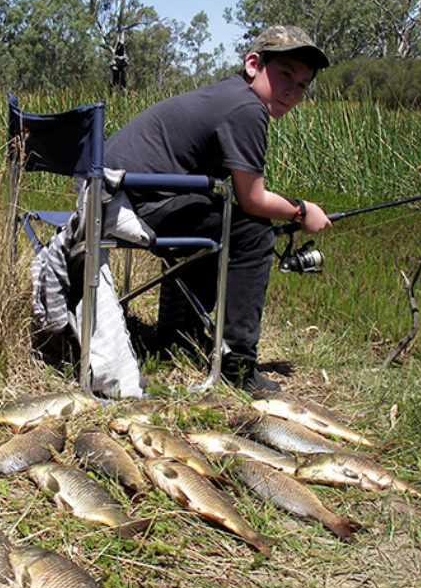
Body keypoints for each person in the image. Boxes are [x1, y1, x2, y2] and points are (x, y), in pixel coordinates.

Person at [104, 25, 332, 393]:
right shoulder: (245, 109)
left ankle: (178, 336)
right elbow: (252, 199)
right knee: (253, 231)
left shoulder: (231, 95)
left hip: (115, 192)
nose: (292, 91)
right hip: (126, 202)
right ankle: (238, 365)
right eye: (285, 74)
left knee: (223, 217)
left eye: (303, 85)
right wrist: (303, 212)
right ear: (254, 64)